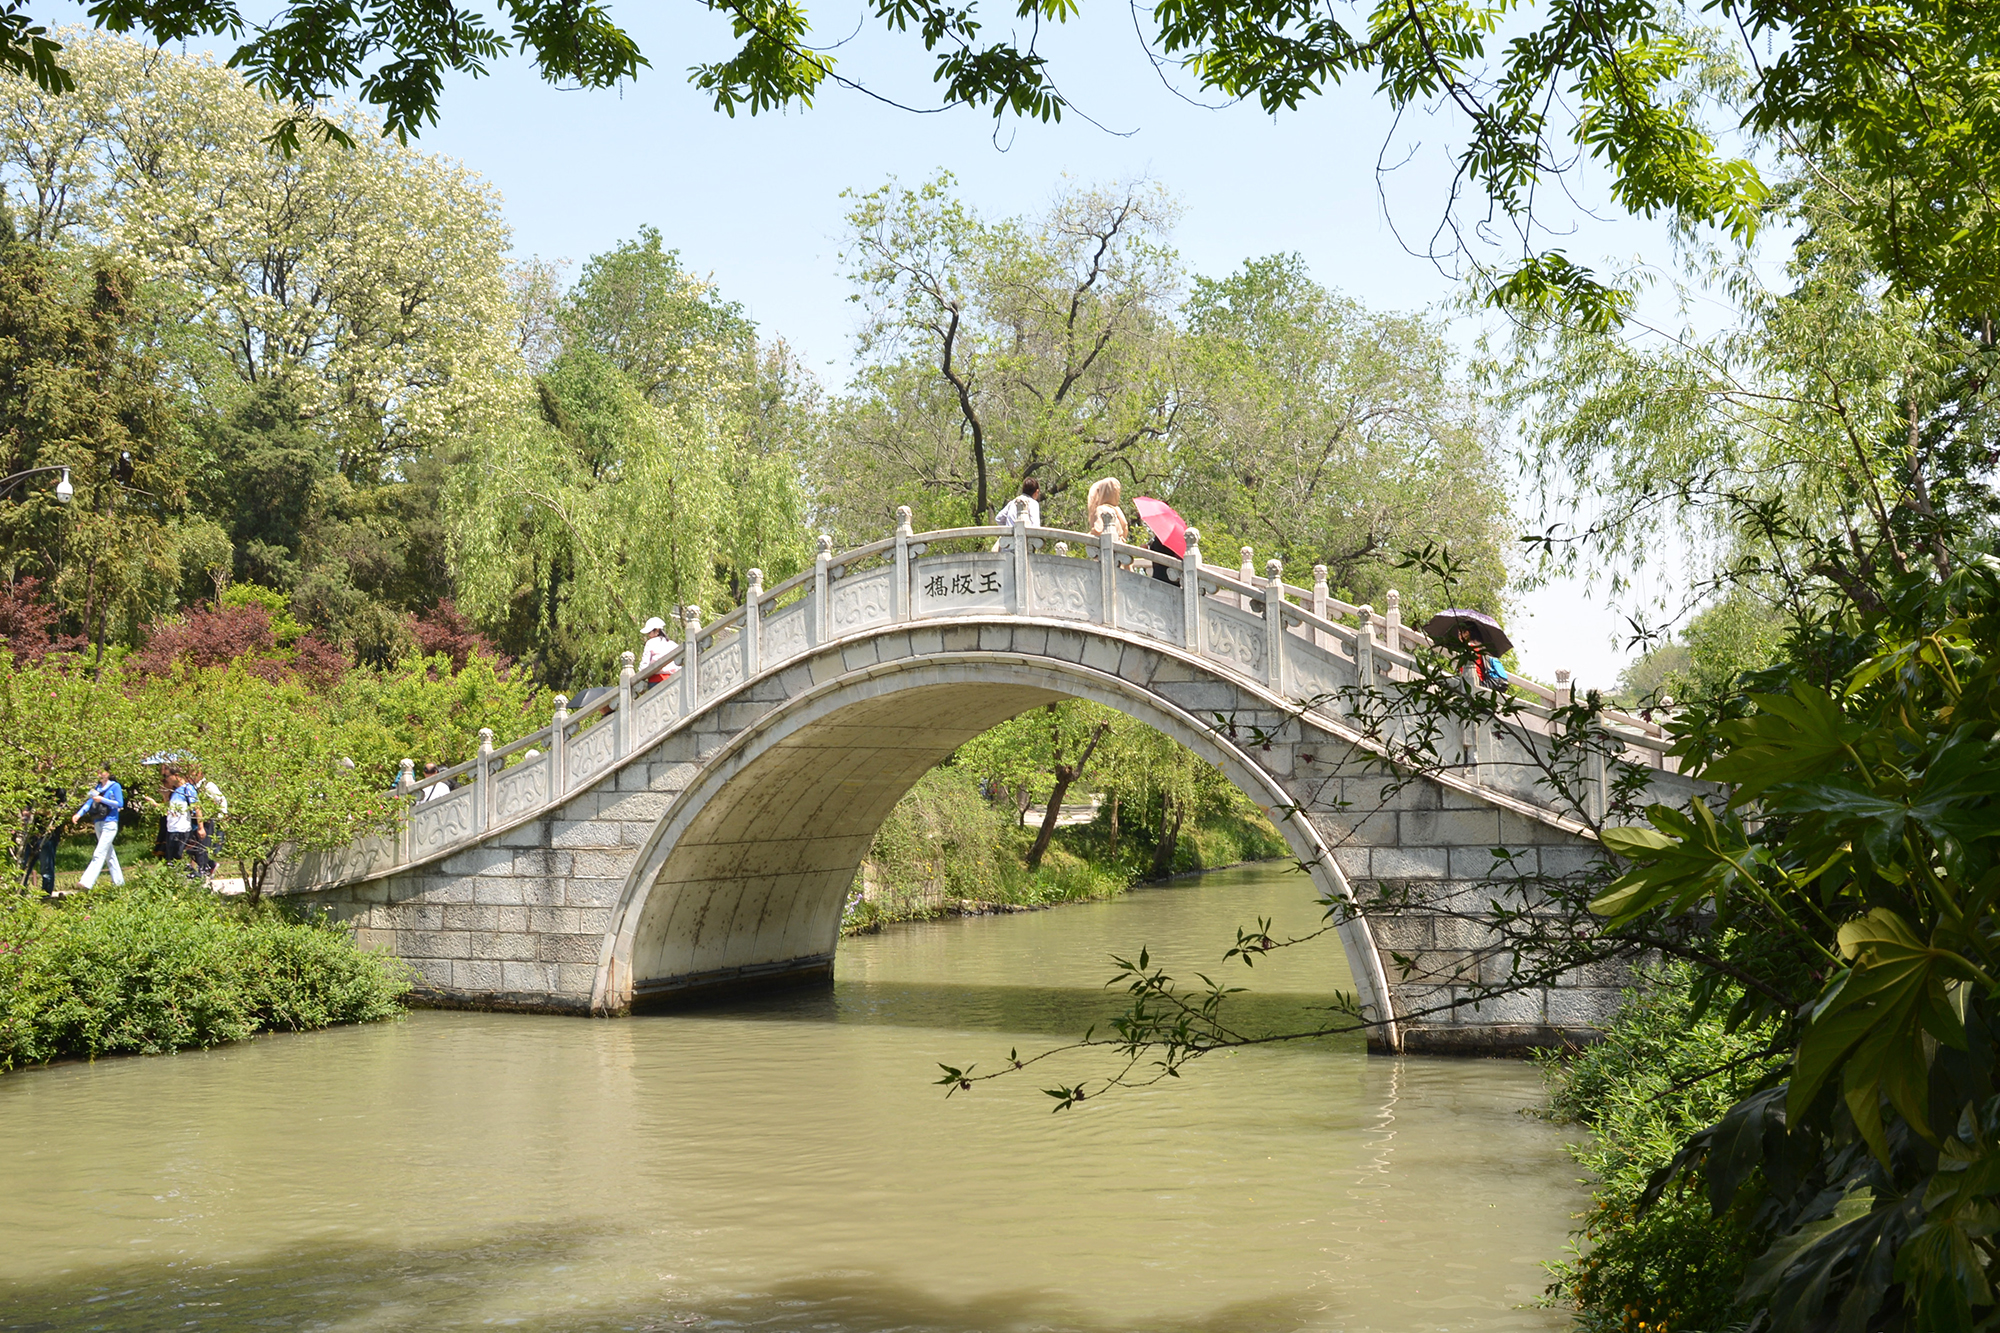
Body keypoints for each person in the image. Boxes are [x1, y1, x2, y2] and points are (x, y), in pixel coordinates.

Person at [70, 768, 125, 890]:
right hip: (98, 822)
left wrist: (103, 800)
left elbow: (120, 804)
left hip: (110, 823)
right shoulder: (97, 788)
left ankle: (87, 881)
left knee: (99, 852)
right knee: (109, 854)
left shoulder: (115, 786)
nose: (99, 775)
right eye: (98, 772)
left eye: (102, 772)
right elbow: (89, 802)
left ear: (108, 773)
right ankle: (119, 883)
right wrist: (79, 814)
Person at [187, 764, 227, 876]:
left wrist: (221, 816)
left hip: (206, 820)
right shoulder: (191, 786)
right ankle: (209, 865)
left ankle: (204, 870)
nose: (192, 774)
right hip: (194, 820)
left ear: (200, 773)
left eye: (194, 771)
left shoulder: (208, 786)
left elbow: (221, 800)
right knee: (191, 847)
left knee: (201, 848)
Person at [159, 768, 205, 862]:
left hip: (181, 829)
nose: (166, 779)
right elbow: (170, 810)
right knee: (171, 860)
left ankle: (194, 875)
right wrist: (165, 796)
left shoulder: (187, 789)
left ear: (176, 775)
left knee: (177, 860)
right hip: (172, 829)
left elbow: (197, 807)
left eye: (167, 776)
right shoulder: (175, 791)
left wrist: (201, 827)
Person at [993, 478, 1043, 551]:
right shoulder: (1033, 503)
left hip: (1007, 547)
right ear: (1036, 491)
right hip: (1024, 548)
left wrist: (1009, 530)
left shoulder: (1013, 502)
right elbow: (1035, 526)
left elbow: (998, 518)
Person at [1085, 476, 1130, 543]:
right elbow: (1125, 529)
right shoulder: (1118, 511)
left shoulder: (1101, 509)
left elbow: (1098, 530)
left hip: (1107, 546)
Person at [638, 616, 680, 685]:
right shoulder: (672, 644)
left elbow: (644, 665)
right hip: (672, 680)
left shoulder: (650, 643)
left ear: (657, 630)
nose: (648, 635)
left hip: (655, 680)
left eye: (649, 632)